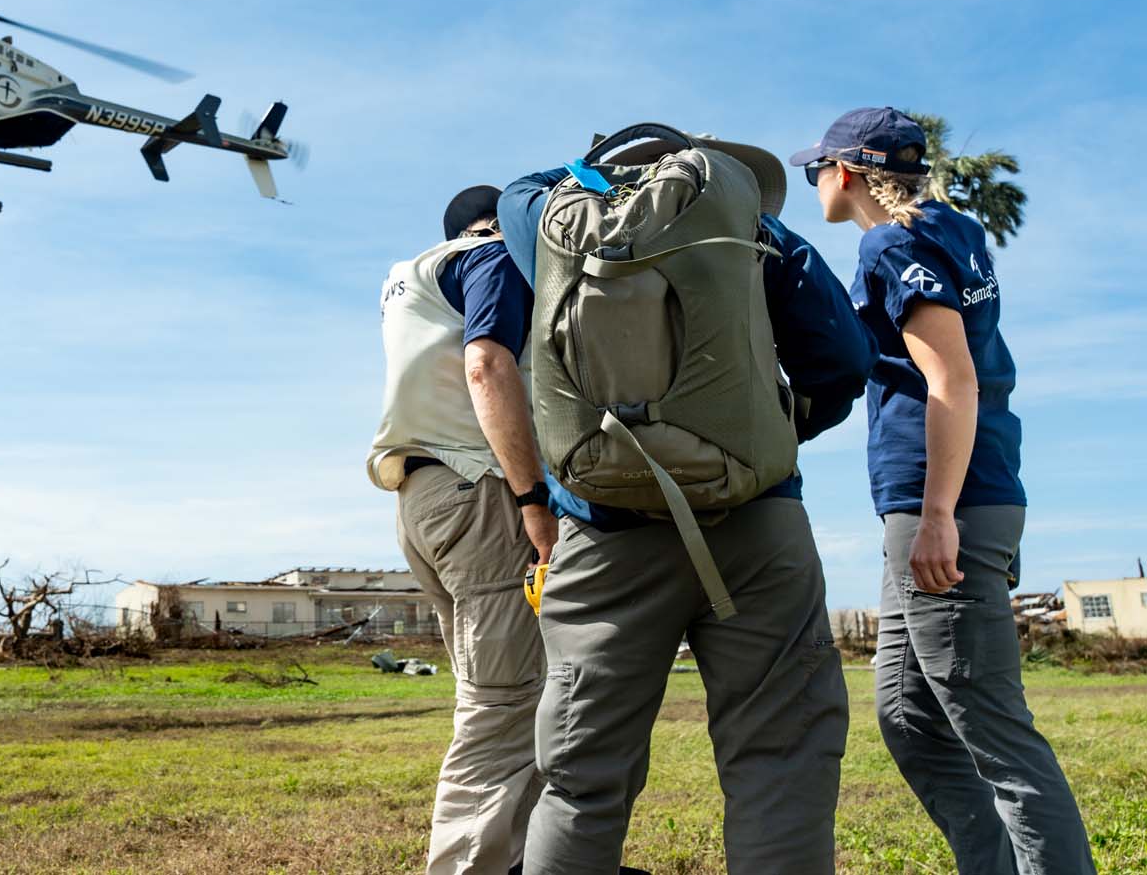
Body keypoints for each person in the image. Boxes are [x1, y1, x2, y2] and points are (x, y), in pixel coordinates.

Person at [496, 130, 875, 875]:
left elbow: (516, 189)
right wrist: (769, 433)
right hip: (756, 522)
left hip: (601, 534)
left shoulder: (544, 222)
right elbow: (843, 359)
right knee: (781, 758)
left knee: (581, 776)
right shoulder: (757, 230)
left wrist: (592, 162)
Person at [792, 107, 1095, 875]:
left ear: (848, 171)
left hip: (948, 501)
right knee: (908, 716)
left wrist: (935, 515)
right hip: (951, 494)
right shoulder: (949, 228)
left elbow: (950, 379)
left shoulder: (890, 242)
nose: (812, 184)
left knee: (993, 731)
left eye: (813, 170)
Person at [366, 185, 557, 875]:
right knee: (504, 706)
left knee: (497, 696)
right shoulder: (492, 256)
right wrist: (532, 496)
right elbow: (486, 361)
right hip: (481, 492)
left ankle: (519, 862)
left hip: (420, 494)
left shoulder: (409, 282)